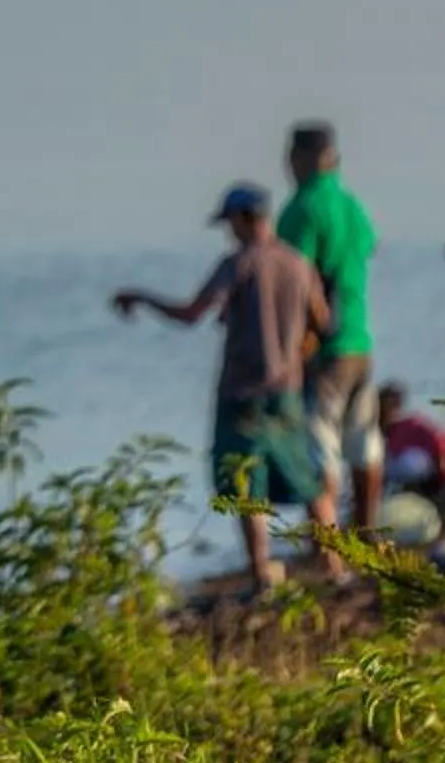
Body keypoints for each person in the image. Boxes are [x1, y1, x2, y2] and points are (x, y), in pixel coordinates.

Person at [113, 182, 336, 593]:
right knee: (306, 476)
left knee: (245, 485)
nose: (229, 232)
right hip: (287, 389)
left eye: (231, 222)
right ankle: (333, 562)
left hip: (242, 393)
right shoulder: (298, 263)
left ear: (244, 219)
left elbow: (192, 313)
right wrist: (296, 350)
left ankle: (260, 572)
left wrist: (140, 297)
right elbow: (322, 324)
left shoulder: (239, 264)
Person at [277, 119, 380, 532]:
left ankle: (330, 549)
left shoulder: (302, 208)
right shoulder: (351, 204)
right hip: (359, 337)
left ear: (297, 159)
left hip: (322, 345)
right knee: (365, 443)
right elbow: (370, 246)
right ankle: (367, 535)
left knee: (320, 447)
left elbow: (294, 276)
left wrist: (298, 340)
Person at [378, 382, 445, 495]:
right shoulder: (380, 430)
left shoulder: (413, 424)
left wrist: (443, 461)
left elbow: (442, 439)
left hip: (424, 479)